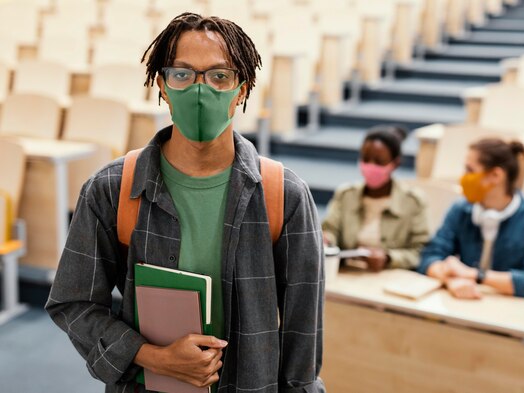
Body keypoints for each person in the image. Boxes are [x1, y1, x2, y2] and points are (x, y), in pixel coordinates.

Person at [45, 13, 325, 393]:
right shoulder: (112, 189)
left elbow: (302, 335)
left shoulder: (284, 195)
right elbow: (73, 302)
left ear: (241, 89)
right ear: (162, 84)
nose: (200, 90)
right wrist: (151, 356)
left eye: (219, 76)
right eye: (183, 74)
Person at [417, 138, 524, 299]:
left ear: (495, 175)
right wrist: (450, 280)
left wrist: (476, 275)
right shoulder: (460, 210)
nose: (463, 178)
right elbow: (429, 257)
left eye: (470, 170)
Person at [322, 125, 429, 271]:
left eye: (379, 161)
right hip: (347, 274)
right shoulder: (345, 195)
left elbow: (421, 251)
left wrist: (389, 258)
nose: (370, 166)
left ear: (395, 164)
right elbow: (330, 230)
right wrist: (326, 240)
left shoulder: (413, 201)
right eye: (366, 159)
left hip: (391, 278)